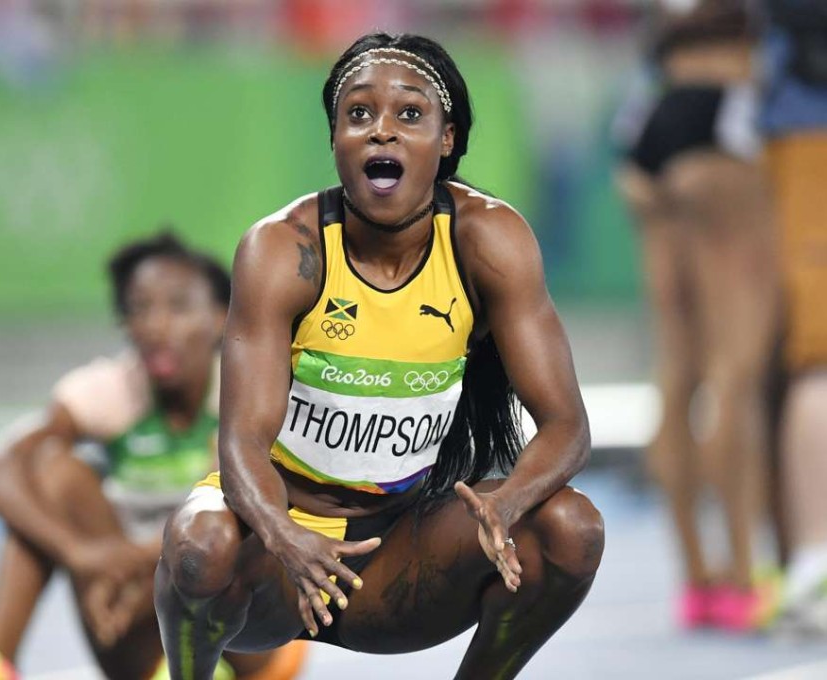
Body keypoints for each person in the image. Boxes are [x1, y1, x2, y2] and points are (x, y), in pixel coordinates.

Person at [153, 32, 604, 680]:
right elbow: (240, 445)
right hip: (278, 566)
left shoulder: (489, 241)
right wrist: (287, 538)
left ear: (447, 139)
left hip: (400, 561)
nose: (381, 132)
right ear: (335, 139)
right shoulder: (283, 250)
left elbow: (567, 428)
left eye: (409, 115)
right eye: (358, 114)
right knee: (201, 543)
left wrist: (506, 504)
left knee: (571, 528)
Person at [0, 234, 307, 679]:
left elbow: (241, 522)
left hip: (246, 642)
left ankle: (206, 663)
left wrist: (128, 566)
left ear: (222, 318)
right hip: (131, 618)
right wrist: (82, 554)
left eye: (178, 307)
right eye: (139, 309)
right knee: (50, 472)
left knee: (235, 501)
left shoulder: (245, 391)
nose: (156, 326)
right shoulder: (112, 388)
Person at [613, 0, 781, 631]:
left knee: (678, 370)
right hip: (725, 113)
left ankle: (697, 582)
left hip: (652, 117)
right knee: (735, 372)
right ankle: (742, 574)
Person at [762, 0, 827, 637]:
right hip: (811, 119)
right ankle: (814, 564)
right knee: (818, 355)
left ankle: (811, 560)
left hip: (804, 115)